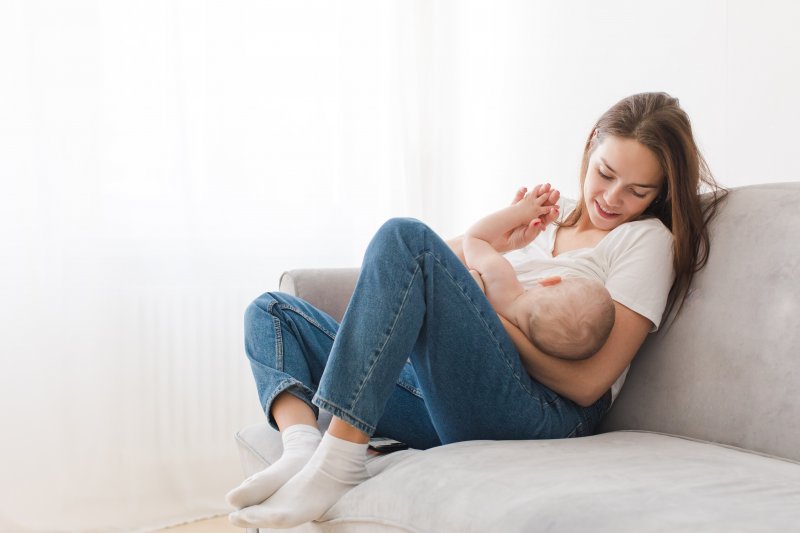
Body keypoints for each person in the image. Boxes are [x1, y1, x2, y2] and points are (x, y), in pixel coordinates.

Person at [227, 92, 727, 529]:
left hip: (542, 411)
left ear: (661, 193)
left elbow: (588, 384)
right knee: (272, 313)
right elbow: (405, 273)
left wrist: (493, 308)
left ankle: (338, 462)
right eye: (605, 173)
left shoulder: (645, 241)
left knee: (405, 232)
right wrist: (494, 232)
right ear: (592, 143)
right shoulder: (545, 217)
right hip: (452, 392)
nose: (612, 198)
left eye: (638, 191)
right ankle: (302, 450)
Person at [463, 187, 615, 361]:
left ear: (550, 281)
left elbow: (474, 238)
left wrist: (517, 213)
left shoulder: (501, 280)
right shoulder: (520, 346)